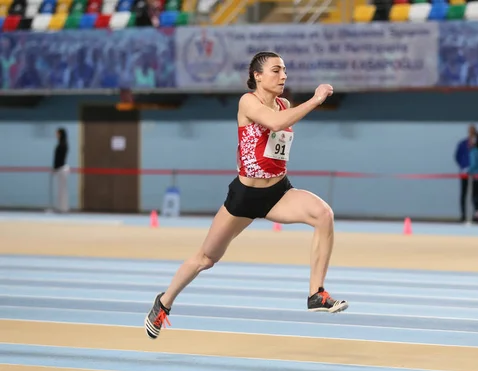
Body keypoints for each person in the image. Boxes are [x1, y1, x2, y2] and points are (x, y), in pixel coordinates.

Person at [144, 51, 348, 340]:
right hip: (244, 197)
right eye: (276, 70)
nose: (283, 76)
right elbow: (275, 124)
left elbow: (279, 130)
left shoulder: (283, 104)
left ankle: (316, 293)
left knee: (323, 214)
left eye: (285, 70)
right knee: (206, 258)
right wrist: (315, 99)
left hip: (278, 192)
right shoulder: (247, 102)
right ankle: (163, 303)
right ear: (257, 76)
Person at [53, 127, 69, 213]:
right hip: (60, 168)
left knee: (62, 190)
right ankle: (60, 207)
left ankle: (63, 208)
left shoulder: (63, 144)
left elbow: (59, 158)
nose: (56, 135)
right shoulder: (61, 144)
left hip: (62, 168)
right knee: (60, 190)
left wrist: (55, 167)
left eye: (57, 133)